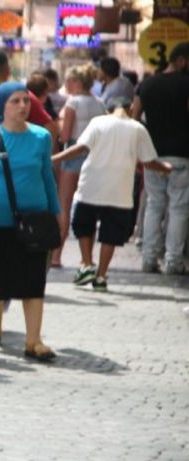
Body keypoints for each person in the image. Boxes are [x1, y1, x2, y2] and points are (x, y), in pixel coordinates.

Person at [0, 82, 59, 361]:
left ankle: (34, 340)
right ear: (2, 107)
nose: (23, 106)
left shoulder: (41, 137)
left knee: (33, 281)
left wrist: (56, 215)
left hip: (33, 222)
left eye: (26, 101)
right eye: (15, 101)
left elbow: (47, 177)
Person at [52, 97, 172, 291]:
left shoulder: (98, 122)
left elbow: (80, 148)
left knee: (84, 226)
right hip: (120, 189)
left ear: (108, 110)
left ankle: (86, 264)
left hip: (91, 184)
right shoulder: (138, 128)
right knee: (110, 234)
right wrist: (166, 168)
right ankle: (100, 276)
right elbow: (149, 161)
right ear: (130, 108)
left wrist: (55, 158)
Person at [132, 42, 189, 275]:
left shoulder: (146, 84)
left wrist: (137, 154)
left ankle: (149, 259)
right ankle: (174, 261)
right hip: (182, 155)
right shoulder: (186, 84)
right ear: (182, 60)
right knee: (178, 208)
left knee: (154, 205)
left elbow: (134, 119)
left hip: (152, 155)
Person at [49, 64, 107, 268]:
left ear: (77, 82)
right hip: (94, 155)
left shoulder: (73, 102)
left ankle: (56, 255)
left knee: (64, 206)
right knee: (89, 206)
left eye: (69, 81)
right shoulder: (100, 104)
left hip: (73, 153)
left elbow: (64, 135)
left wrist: (57, 126)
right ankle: (87, 258)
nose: (66, 85)